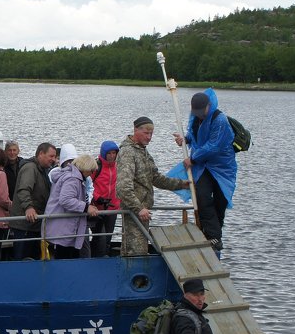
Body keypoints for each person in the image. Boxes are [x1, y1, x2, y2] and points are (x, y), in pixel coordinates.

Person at [173, 90, 238, 255]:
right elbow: (195, 135)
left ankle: (215, 237)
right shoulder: (195, 118)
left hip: (222, 166)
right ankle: (213, 236)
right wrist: (185, 140)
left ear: (208, 106)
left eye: (202, 111)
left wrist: (193, 159)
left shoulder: (220, 120)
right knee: (201, 196)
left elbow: (213, 146)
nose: (199, 115)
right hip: (204, 166)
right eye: (196, 112)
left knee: (220, 200)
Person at [116, 117, 192, 257]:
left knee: (142, 250)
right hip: (134, 212)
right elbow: (122, 188)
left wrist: (182, 184)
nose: (149, 137)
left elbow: (156, 178)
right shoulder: (128, 152)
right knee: (135, 252)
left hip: (144, 212)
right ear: (136, 130)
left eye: (151, 134)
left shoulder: (143, 152)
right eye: (146, 133)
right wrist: (138, 209)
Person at [44, 154, 106, 259]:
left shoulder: (69, 175)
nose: (91, 174)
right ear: (86, 169)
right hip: (64, 228)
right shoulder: (72, 179)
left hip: (62, 226)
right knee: (65, 257)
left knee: (63, 256)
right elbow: (65, 200)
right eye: (91, 171)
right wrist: (86, 207)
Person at [8, 142, 57, 260]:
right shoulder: (30, 168)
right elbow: (23, 189)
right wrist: (29, 207)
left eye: (55, 156)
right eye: (51, 156)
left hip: (35, 225)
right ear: (41, 153)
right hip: (25, 226)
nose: (54, 159)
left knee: (33, 258)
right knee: (23, 258)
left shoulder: (43, 170)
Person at [89, 140, 120, 257]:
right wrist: (97, 198)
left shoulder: (119, 167)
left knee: (107, 237)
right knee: (100, 236)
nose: (112, 156)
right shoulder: (96, 167)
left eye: (114, 153)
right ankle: (99, 258)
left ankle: (103, 256)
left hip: (113, 207)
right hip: (97, 209)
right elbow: (87, 185)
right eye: (109, 153)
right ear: (103, 153)